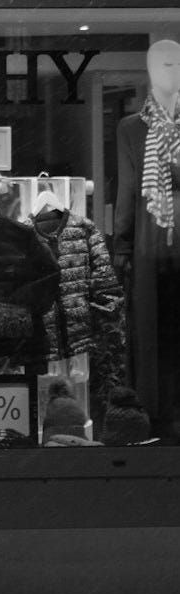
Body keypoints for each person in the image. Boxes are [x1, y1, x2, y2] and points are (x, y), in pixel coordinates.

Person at [114, 39, 180, 441]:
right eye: (162, 64)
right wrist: (121, 247)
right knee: (151, 330)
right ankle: (155, 416)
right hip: (149, 241)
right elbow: (127, 188)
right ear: (149, 70)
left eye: (175, 64)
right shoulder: (131, 128)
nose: (169, 71)